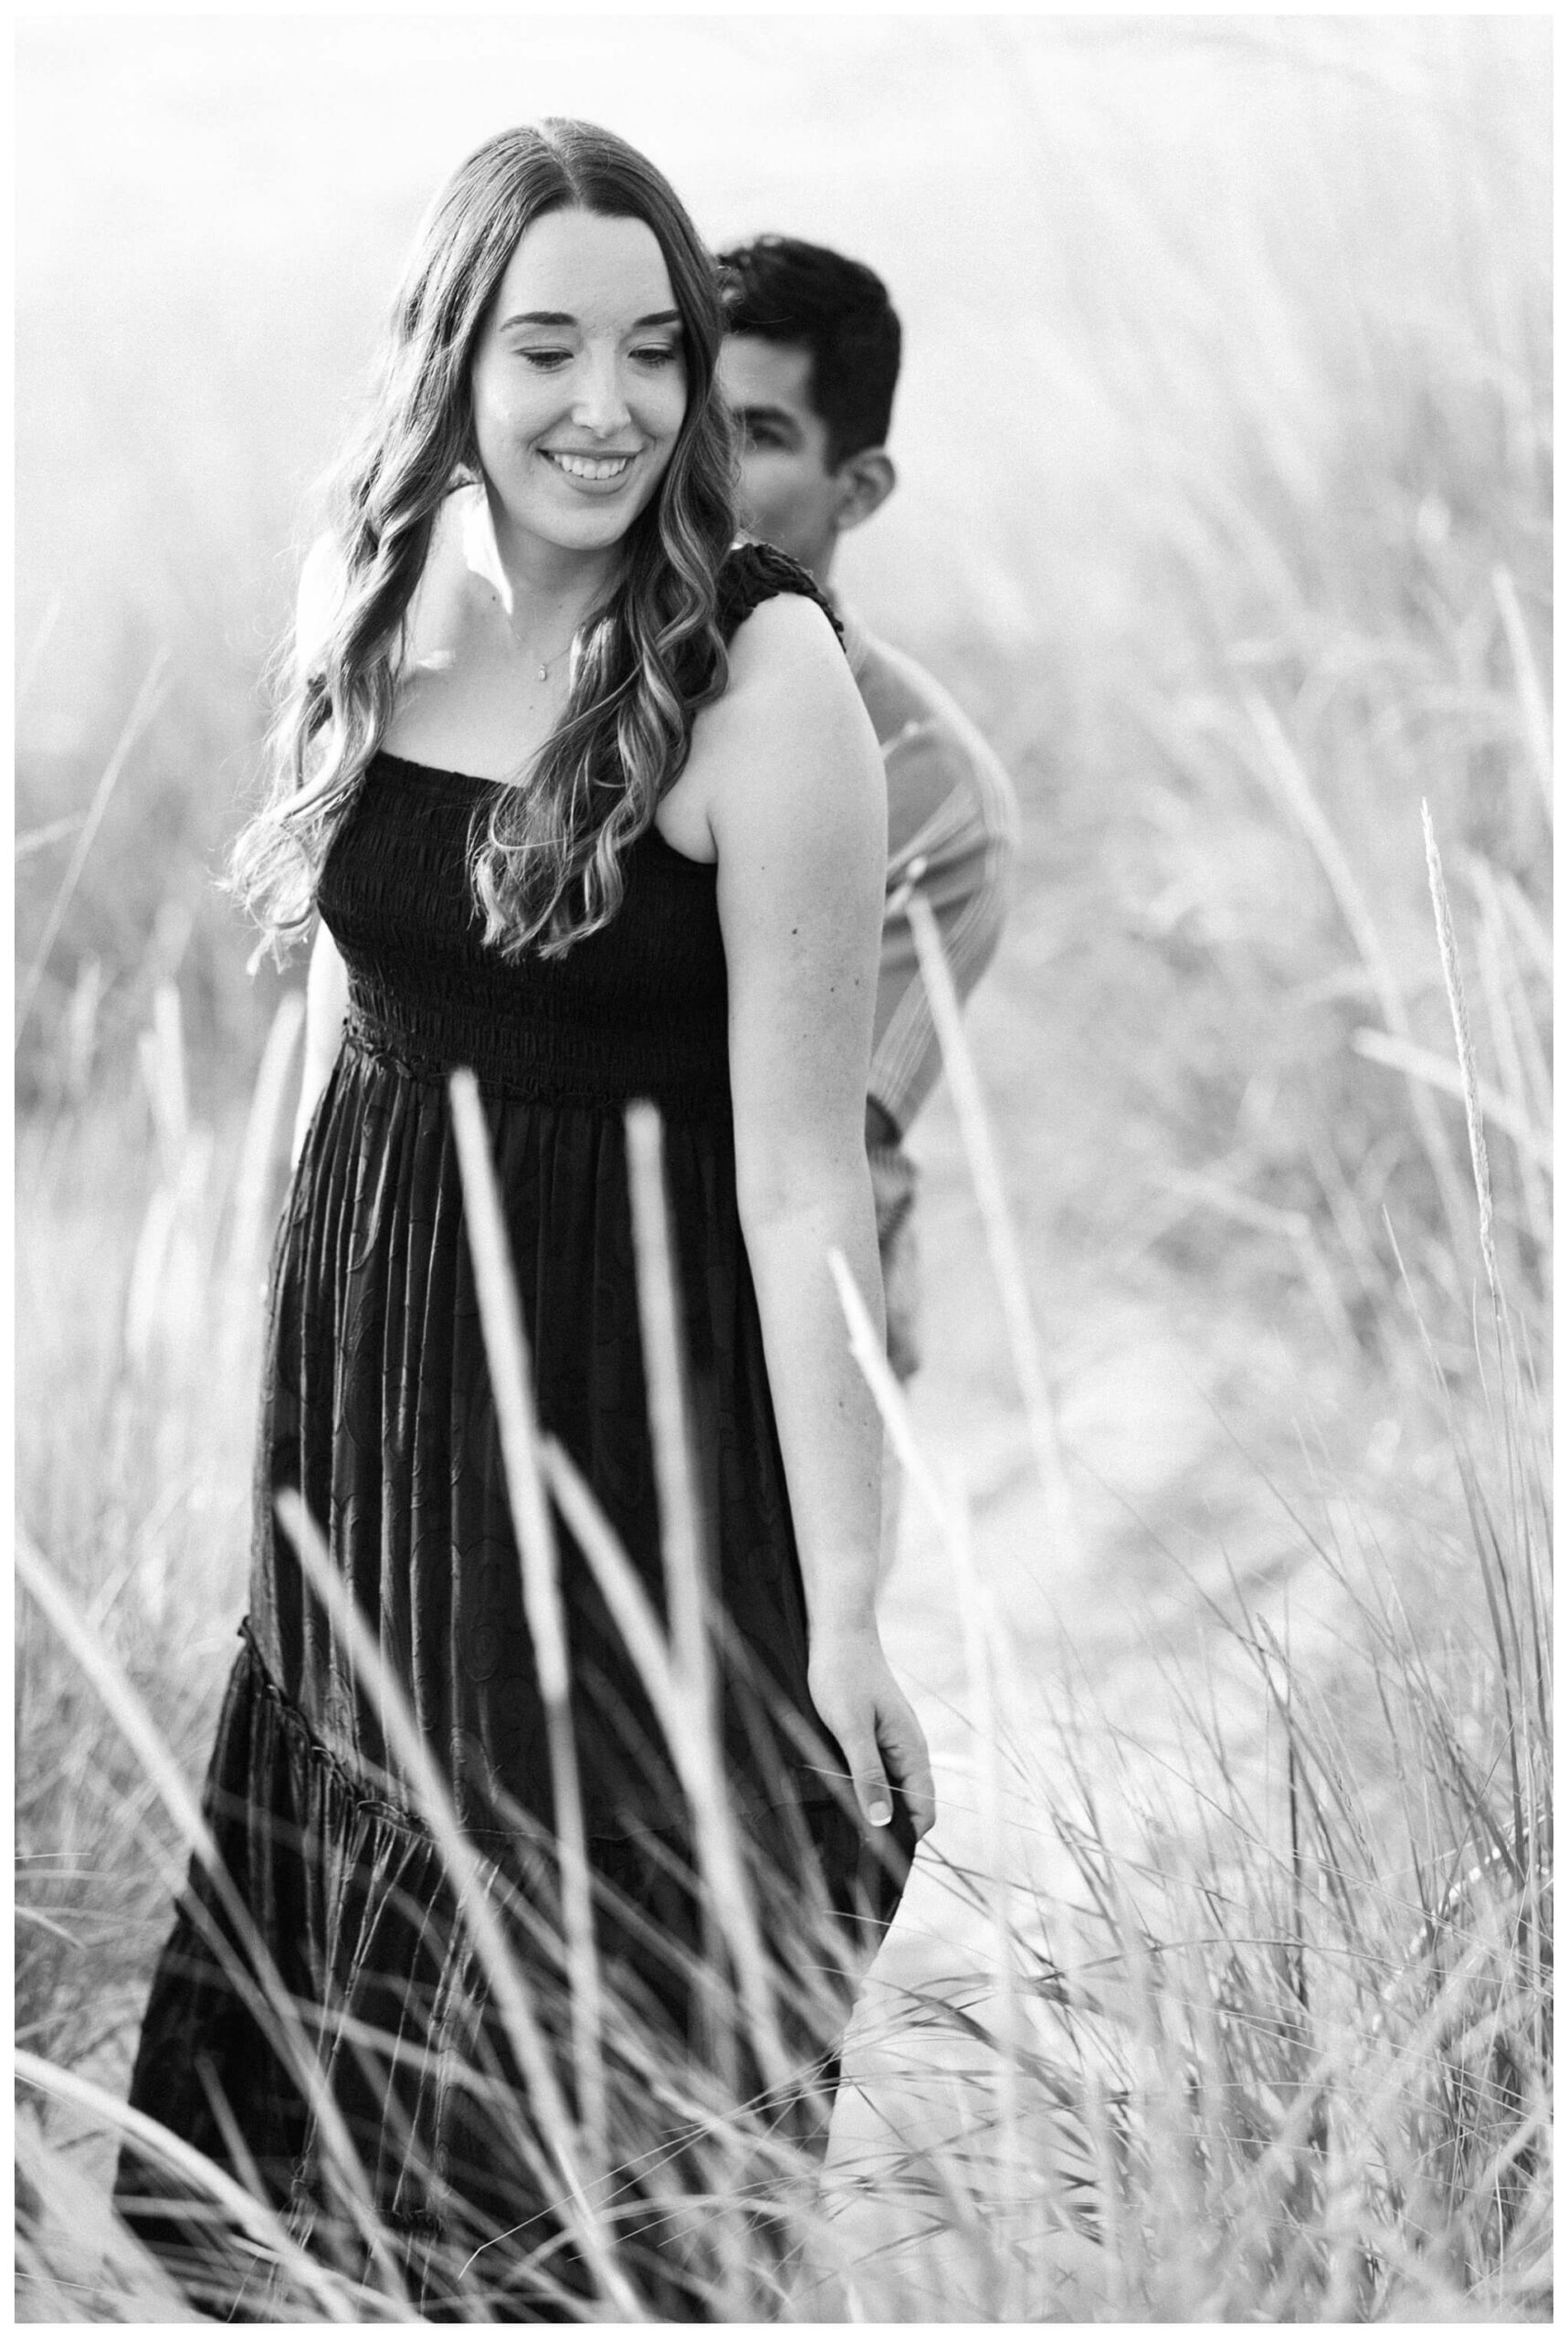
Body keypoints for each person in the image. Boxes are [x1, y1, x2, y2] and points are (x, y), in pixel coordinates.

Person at [112, 121, 932, 2320]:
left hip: (628, 1443)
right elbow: (349, 1032)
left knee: (584, 2137)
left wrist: (846, 1604)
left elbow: (800, 1181)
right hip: (376, 1436)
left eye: (655, 350)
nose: (610, 403)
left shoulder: (765, 693)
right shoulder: (377, 592)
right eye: (546, 342)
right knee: (320, 2125)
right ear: (452, 360)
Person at [716, 237, 1019, 1403]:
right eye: (690, 416)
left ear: (861, 488)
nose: (701, 469)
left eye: (757, 435)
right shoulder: (528, 676)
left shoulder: (936, 795)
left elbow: (812, 1145)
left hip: (779, 1373)